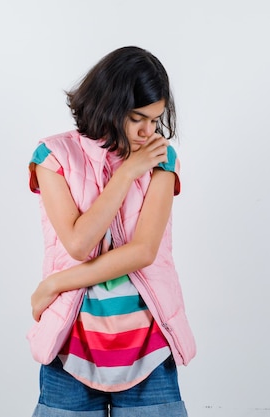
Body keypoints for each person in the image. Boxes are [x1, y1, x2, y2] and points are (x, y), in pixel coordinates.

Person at [27, 46, 196, 417]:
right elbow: (78, 243)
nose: (148, 131)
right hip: (69, 346)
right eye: (138, 118)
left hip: (148, 348)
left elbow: (142, 252)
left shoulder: (161, 160)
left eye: (155, 119)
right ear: (109, 104)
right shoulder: (52, 157)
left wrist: (54, 284)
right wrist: (125, 174)